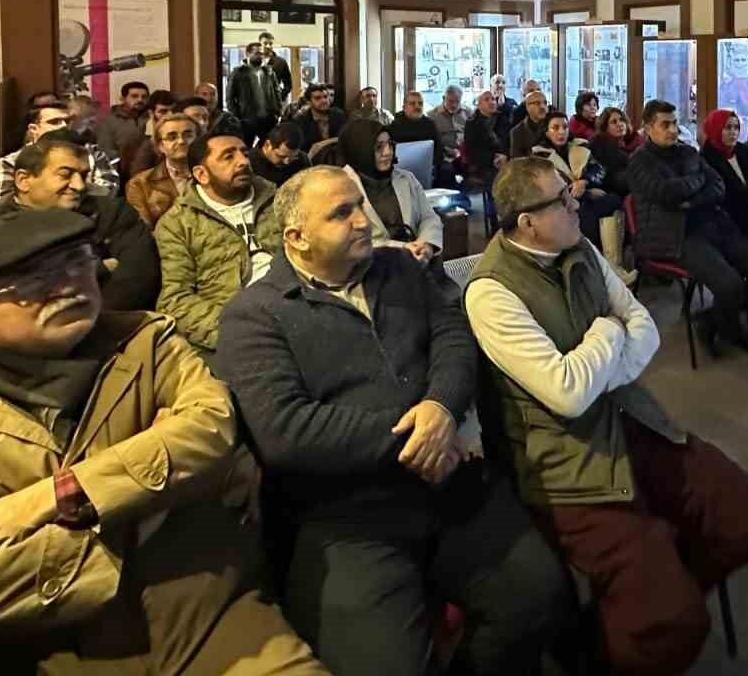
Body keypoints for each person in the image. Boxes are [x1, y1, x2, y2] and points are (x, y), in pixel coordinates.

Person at [0, 209, 327, 675]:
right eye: (32, 283)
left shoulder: (145, 342)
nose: (68, 285)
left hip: (203, 619)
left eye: (76, 263)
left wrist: (58, 496)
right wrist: (129, 525)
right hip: (32, 652)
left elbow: (211, 425)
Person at [215, 168, 573, 674]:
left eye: (360, 204)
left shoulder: (399, 269)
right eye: (342, 213)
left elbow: (453, 331)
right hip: (350, 518)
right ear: (295, 238)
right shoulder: (255, 315)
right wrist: (420, 433)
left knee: (540, 598)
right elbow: (286, 433)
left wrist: (443, 406)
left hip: (452, 486)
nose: (365, 220)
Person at [467, 158, 748, 674]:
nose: (577, 203)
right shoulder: (491, 292)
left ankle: (640, 606)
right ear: (527, 221)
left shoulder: (579, 246)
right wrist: (608, 335)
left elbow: (646, 327)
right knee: (674, 621)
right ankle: (613, 645)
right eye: (562, 200)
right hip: (565, 458)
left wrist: (599, 365)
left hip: (630, 416)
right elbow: (568, 395)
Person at [627, 99, 748, 355]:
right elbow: (665, 192)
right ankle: (731, 332)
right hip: (673, 234)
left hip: (713, 225)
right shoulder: (640, 161)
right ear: (648, 128)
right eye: (665, 124)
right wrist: (697, 181)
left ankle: (711, 319)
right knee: (730, 284)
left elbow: (718, 187)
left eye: (675, 123)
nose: (673, 130)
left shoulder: (688, 152)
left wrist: (689, 197)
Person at [155, 134, 283, 362]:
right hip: (233, 325)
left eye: (244, 152)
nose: (243, 161)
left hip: (294, 308)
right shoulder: (178, 223)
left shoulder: (278, 201)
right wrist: (236, 330)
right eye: (228, 157)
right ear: (201, 174)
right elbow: (175, 299)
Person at [0, 132, 160, 311]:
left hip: (111, 323)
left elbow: (139, 278)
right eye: (65, 175)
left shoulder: (114, 213)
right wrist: (100, 268)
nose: (80, 185)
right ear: (23, 180)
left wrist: (82, 319)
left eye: (83, 175)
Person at [338, 119, 444, 271]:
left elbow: (429, 217)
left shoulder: (406, 178)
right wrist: (403, 249)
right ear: (360, 150)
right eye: (378, 147)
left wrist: (427, 244)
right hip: (370, 272)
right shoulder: (341, 188)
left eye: (390, 144)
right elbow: (351, 240)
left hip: (418, 265)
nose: (387, 152)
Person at [531, 111, 625, 266]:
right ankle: (595, 265)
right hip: (559, 204)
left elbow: (599, 170)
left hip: (584, 197)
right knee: (585, 213)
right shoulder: (539, 156)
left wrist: (585, 182)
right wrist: (584, 190)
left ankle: (613, 264)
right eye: (555, 128)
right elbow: (548, 187)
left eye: (565, 127)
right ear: (546, 132)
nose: (561, 132)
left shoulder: (579, 146)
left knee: (614, 201)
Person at [2, 99, 117, 197]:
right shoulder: (10, 162)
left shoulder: (93, 153)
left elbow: (108, 193)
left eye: (67, 121)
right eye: (55, 122)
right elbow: (6, 202)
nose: (63, 126)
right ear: (34, 129)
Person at [700, 108, 748, 239]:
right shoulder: (706, 159)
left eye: (736, 128)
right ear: (715, 129)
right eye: (727, 128)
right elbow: (725, 195)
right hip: (727, 224)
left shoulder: (744, 151)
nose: (733, 132)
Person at [127, 110, 197, 230]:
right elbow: (143, 231)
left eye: (188, 135)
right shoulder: (139, 184)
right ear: (161, 146)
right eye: (172, 137)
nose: (181, 141)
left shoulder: (216, 177)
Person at [227, 43, 283, 146]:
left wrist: (278, 111)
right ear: (248, 53)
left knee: (269, 147)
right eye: (257, 53)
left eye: (261, 54)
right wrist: (238, 117)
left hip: (268, 119)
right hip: (248, 119)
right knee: (246, 147)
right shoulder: (238, 73)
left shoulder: (268, 72)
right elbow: (230, 98)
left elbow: (277, 92)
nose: (260, 56)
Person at [121, 88, 176, 182]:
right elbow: (137, 176)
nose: (170, 116)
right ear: (151, 113)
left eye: (173, 111)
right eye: (163, 111)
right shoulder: (138, 136)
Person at [94, 80, 149, 165]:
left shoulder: (152, 118)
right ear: (123, 99)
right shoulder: (109, 122)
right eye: (134, 96)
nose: (140, 100)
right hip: (123, 174)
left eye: (144, 97)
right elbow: (107, 153)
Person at [589, 107, 638, 198]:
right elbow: (615, 181)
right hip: (612, 193)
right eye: (614, 122)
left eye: (621, 120)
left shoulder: (632, 142)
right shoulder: (600, 146)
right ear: (605, 128)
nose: (620, 124)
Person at [463, 89, 508, 186]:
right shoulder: (472, 123)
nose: (491, 102)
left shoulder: (503, 118)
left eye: (493, 99)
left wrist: (505, 156)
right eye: (486, 99)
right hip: (484, 163)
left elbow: (508, 141)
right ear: (479, 105)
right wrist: (493, 159)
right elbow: (473, 150)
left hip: (504, 158)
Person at [428, 84, 470, 184]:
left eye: (457, 101)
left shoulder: (468, 113)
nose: (454, 105)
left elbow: (473, 136)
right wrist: (448, 151)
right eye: (451, 101)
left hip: (464, 154)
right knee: (446, 171)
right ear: (443, 98)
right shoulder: (432, 116)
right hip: (444, 156)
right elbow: (432, 142)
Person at [252, 121, 310, 186]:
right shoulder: (250, 164)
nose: (286, 162)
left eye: (293, 157)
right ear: (267, 145)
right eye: (281, 156)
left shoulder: (302, 160)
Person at [385, 88, 439, 155]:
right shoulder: (395, 126)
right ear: (404, 107)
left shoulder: (430, 124)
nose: (417, 106)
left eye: (420, 103)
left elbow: (438, 150)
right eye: (412, 103)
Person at [508, 88, 551, 158]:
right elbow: (517, 161)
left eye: (545, 103)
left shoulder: (553, 124)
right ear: (527, 106)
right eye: (537, 103)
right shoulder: (517, 132)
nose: (543, 107)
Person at [259, 31, 292, 99]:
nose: (268, 46)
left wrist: (281, 96)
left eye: (270, 44)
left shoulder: (281, 62)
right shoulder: (253, 62)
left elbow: (288, 84)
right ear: (259, 44)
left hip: (274, 102)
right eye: (265, 43)